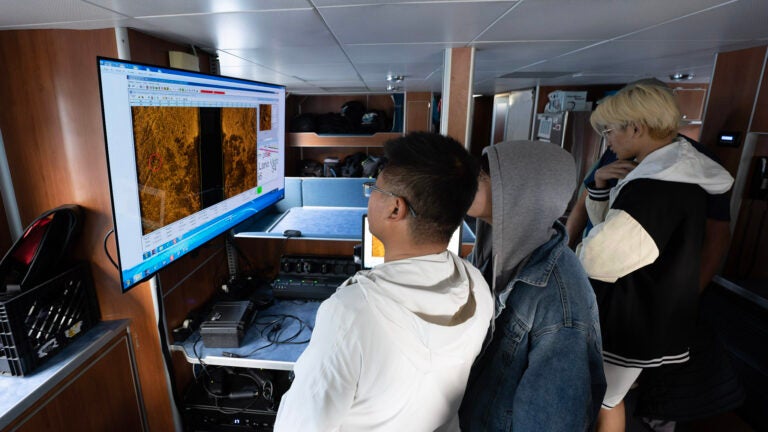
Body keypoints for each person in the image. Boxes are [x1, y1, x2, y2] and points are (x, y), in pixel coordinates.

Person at [274, 132, 494, 432]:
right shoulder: (477, 286)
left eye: (374, 188)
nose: (370, 196)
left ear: (395, 209)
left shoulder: (351, 313)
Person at [576, 84, 734, 431]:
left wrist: (571, 259)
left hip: (632, 312)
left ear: (636, 128)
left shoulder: (655, 188)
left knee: (603, 403)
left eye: (609, 131)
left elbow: (598, 258)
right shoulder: (674, 173)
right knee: (608, 399)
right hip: (652, 310)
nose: (608, 142)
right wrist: (600, 186)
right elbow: (611, 232)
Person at [459, 140, 606, 431]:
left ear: (520, 192)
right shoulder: (494, 252)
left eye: (483, 176)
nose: (468, 182)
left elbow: (552, 422)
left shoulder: (561, 303)